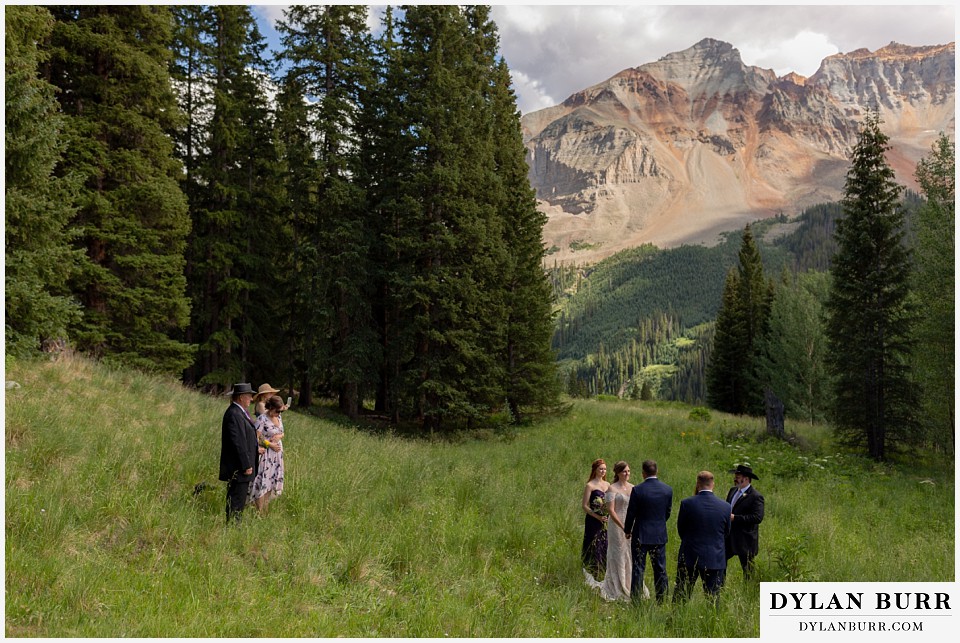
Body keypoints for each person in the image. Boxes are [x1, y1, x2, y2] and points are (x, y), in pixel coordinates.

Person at [584, 461, 649, 601]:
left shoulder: (633, 488)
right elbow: (611, 510)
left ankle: (632, 584)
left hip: (630, 524)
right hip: (617, 525)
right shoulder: (612, 489)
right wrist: (623, 526)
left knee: (630, 554)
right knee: (619, 552)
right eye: (624, 471)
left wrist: (633, 524)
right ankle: (616, 584)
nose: (627, 474)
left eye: (629, 471)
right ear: (618, 473)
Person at [674, 471, 730, 601]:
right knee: (713, 598)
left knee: (681, 595)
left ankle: (677, 619)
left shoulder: (687, 504)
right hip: (714, 557)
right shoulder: (725, 507)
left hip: (690, 555)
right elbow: (726, 532)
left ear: (698, 484)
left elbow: (681, 529)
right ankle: (712, 621)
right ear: (713, 484)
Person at [623, 459, 672, 602]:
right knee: (660, 569)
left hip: (641, 534)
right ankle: (662, 600)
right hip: (659, 534)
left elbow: (631, 513)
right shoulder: (667, 490)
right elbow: (667, 513)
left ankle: (636, 600)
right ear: (656, 471)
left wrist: (627, 530)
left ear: (643, 473)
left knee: (638, 568)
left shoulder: (638, 490)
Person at [219, 383, 260, 524]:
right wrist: (246, 464)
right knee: (236, 499)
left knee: (239, 499)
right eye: (249, 396)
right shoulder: (234, 414)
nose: (251, 399)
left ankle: (235, 525)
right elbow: (238, 442)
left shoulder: (239, 412)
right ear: (241, 397)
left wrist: (256, 449)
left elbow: (246, 438)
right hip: (238, 467)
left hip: (241, 465)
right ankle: (232, 526)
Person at [248, 395, 286, 514]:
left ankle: (265, 509)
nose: (279, 413)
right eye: (277, 410)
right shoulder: (262, 419)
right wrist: (269, 444)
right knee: (263, 481)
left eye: (281, 411)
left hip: (277, 456)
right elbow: (256, 438)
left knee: (271, 481)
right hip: (266, 455)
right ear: (271, 408)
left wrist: (279, 436)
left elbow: (282, 432)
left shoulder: (278, 417)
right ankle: (259, 510)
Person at [726, 464, 764, 579]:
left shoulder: (756, 496)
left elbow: (757, 517)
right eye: (735, 475)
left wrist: (735, 518)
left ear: (746, 479)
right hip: (729, 536)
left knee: (748, 571)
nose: (735, 478)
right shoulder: (732, 491)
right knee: (720, 563)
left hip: (745, 539)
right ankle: (718, 587)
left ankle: (749, 592)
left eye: (738, 476)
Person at [581, 459, 609, 578]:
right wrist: (597, 515)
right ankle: (591, 569)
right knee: (593, 543)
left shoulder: (608, 485)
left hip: (606, 519)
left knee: (605, 543)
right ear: (595, 470)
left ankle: (603, 569)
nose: (603, 471)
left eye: (604, 469)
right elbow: (585, 505)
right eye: (601, 469)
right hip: (593, 519)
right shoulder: (590, 485)